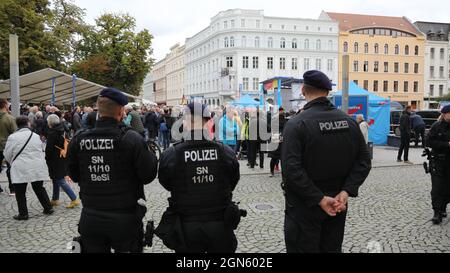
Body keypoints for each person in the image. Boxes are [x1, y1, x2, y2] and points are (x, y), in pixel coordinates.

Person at [281, 70, 372, 253]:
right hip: (338, 203)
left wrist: (319, 199)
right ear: (328, 92)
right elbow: (363, 161)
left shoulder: (297, 124)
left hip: (305, 207)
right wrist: (346, 191)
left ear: (304, 90)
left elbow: (291, 170)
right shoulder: (349, 122)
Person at [67, 87, 158, 253]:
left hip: (91, 214)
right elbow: (148, 175)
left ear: (99, 111)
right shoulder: (131, 138)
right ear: (122, 111)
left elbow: (73, 174)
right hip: (125, 218)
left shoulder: (79, 139)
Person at [157, 102, 241, 253]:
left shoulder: (171, 154)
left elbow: (165, 181)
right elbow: (233, 179)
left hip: (186, 226)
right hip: (219, 224)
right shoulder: (225, 151)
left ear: (184, 121)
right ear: (208, 121)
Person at [4, 116, 54, 220]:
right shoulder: (35, 136)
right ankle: (48, 208)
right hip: (36, 165)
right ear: (28, 123)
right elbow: (40, 149)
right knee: (39, 188)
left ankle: (23, 214)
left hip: (20, 166)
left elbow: (7, 154)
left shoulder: (12, 137)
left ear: (17, 124)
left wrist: (12, 162)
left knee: (20, 191)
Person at [45, 114, 80, 209]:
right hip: (61, 156)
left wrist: (47, 158)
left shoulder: (52, 132)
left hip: (54, 158)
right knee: (56, 178)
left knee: (60, 179)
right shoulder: (61, 129)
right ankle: (55, 199)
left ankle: (74, 199)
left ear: (50, 122)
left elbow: (49, 149)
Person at [426, 105, 450, 225]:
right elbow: (429, 141)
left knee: (447, 187)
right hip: (438, 161)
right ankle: (436, 212)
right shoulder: (436, 126)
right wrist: (446, 144)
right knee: (437, 188)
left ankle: (443, 207)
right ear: (444, 114)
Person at [0, 99, 17, 195]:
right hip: (7, 147)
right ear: (5, 106)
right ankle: (12, 189)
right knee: (10, 168)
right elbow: (15, 133)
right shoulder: (9, 118)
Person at [268, 111, 287, 177]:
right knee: (283, 159)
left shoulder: (274, 123)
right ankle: (283, 173)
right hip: (283, 143)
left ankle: (271, 172)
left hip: (275, 143)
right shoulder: (286, 123)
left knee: (273, 159)